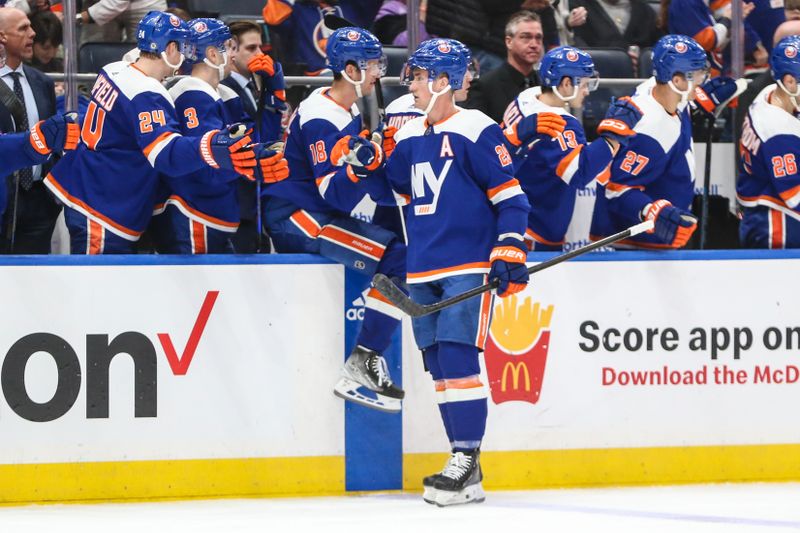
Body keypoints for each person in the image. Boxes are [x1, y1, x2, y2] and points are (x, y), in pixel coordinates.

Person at [341, 39, 532, 506]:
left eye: (420, 76)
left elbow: (511, 197)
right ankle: (465, 464)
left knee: (460, 358)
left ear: (443, 80)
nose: (411, 85)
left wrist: (509, 248)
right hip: (423, 265)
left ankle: (465, 458)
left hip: (467, 263)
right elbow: (395, 193)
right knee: (440, 365)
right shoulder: (409, 135)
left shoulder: (478, 129)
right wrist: (366, 167)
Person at [262, 27, 406, 412]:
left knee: (399, 249)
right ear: (349, 68)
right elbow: (334, 192)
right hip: (296, 215)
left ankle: (366, 357)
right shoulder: (322, 116)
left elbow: (356, 181)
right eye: (373, 63)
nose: (380, 71)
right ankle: (364, 359)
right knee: (399, 258)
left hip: (314, 210)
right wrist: (363, 165)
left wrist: (377, 154)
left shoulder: (343, 107)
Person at [44, 11, 260, 254]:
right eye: (183, 47)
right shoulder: (147, 94)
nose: (187, 57)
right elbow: (165, 154)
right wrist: (209, 145)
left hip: (86, 187)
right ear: (169, 49)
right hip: (103, 203)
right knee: (97, 289)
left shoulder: (115, 68)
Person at [153, 18, 288, 254]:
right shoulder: (191, 95)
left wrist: (271, 95)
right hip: (192, 214)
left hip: (215, 214)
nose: (233, 56)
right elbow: (207, 166)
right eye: (229, 47)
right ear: (213, 54)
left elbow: (257, 140)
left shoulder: (223, 94)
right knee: (194, 291)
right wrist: (251, 164)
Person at [502, 45, 643, 251]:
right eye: (584, 84)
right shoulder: (561, 122)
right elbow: (579, 173)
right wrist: (614, 136)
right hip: (533, 228)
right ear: (566, 84)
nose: (587, 91)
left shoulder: (526, 97)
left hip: (511, 214)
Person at [221, 20, 287, 253]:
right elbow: (257, 137)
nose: (259, 54)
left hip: (256, 195)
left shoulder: (253, 86)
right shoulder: (224, 88)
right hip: (237, 198)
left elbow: (271, 136)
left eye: (261, 48)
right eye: (251, 48)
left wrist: (272, 88)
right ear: (231, 50)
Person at [0, 6, 61, 253]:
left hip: (38, 198)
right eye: (23, 28)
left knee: (36, 277)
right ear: (2, 36)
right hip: (3, 198)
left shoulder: (42, 82)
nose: (33, 33)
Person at [737, 35, 800, 248]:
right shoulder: (778, 131)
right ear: (790, 81)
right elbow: (795, 196)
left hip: (759, 213)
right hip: (777, 225)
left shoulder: (769, 94)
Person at [465, 11, 544, 123]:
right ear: (509, 42)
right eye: (526, 37)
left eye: (538, 38)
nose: (534, 44)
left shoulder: (546, 85)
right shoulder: (484, 86)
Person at [263, 0, 381, 75]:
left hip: (357, 74)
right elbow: (274, 20)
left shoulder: (354, 6)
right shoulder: (298, 10)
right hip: (314, 80)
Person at [570, 0, 661, 50]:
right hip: (596, 76)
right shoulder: (578, 10)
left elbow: (658, 47)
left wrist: (641, 57)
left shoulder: (645, 11)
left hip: (641, 80)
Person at [76, 0, 167, 44]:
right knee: (94, 51)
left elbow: (117, 2)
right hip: (96, 3)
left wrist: (80, 17)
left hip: (146, 4)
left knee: (150, 51)